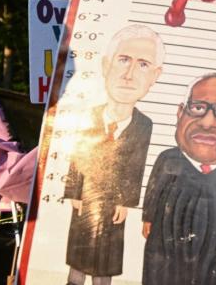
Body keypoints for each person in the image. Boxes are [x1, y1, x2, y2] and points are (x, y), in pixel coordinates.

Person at [63, 25, 164, 285]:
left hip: (113, 203)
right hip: (86, 197)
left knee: (105, 261)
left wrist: (125, 201)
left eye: (143, 65)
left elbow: (136, 165)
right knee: (79, 257)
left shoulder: (144, 125)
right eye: (123, 60)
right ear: (107, 65)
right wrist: (74, 192)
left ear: (155, 76)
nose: (129, 74)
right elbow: (77, 154)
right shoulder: (88, 115)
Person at [141, 73, 216, 285]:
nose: (207, 122)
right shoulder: (167, 159)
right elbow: (154, 191)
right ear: (180, 113)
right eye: (197, 108)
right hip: (167, 233)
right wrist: (148, 218)